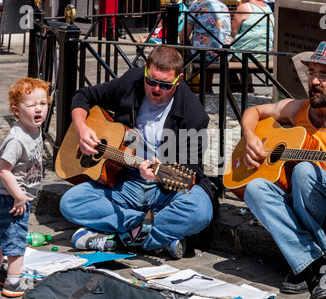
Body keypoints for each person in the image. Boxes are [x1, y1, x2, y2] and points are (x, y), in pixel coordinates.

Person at [240, 41, 326, 299]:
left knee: (303, 171)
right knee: (255, 189)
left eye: (323, 75)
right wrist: (249, 137)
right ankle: (316, 265)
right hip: (303, 204)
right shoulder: (299, 109)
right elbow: (253, 111)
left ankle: (301, 262)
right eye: (311, 72)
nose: (314, 81)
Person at [59, 45, 216, 259]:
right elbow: (83, 96)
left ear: (177, 82)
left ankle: (119, 239)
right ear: (144, 72)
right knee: (71, 202)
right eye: (150, 81)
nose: (156, 89)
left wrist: (161, 173)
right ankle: (155, 237)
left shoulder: (194, 114)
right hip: (125, 180)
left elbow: (192, 173)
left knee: (200, 210)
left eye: (165, 85)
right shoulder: (131, 82)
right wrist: (81, 128)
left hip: (165, 187)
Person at [0, 77, 50, 297]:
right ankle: (14, 281)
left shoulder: (34, 130)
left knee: (2, 236)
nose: (38, 109)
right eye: (31, 105)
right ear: (16, 110)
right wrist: (19, 197)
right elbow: (3, 170)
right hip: (10, 198)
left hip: (12, 197)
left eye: (43, 103)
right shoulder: (17, 140)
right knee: (17, 240)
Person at [180, 0, 231, 93]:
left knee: (177, 49)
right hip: (224, 55)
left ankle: (182, 89)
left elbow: (183, 38)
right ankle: (207, 86)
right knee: (211, 47)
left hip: (202, 54)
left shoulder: (195, 6)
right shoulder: (223, 6)